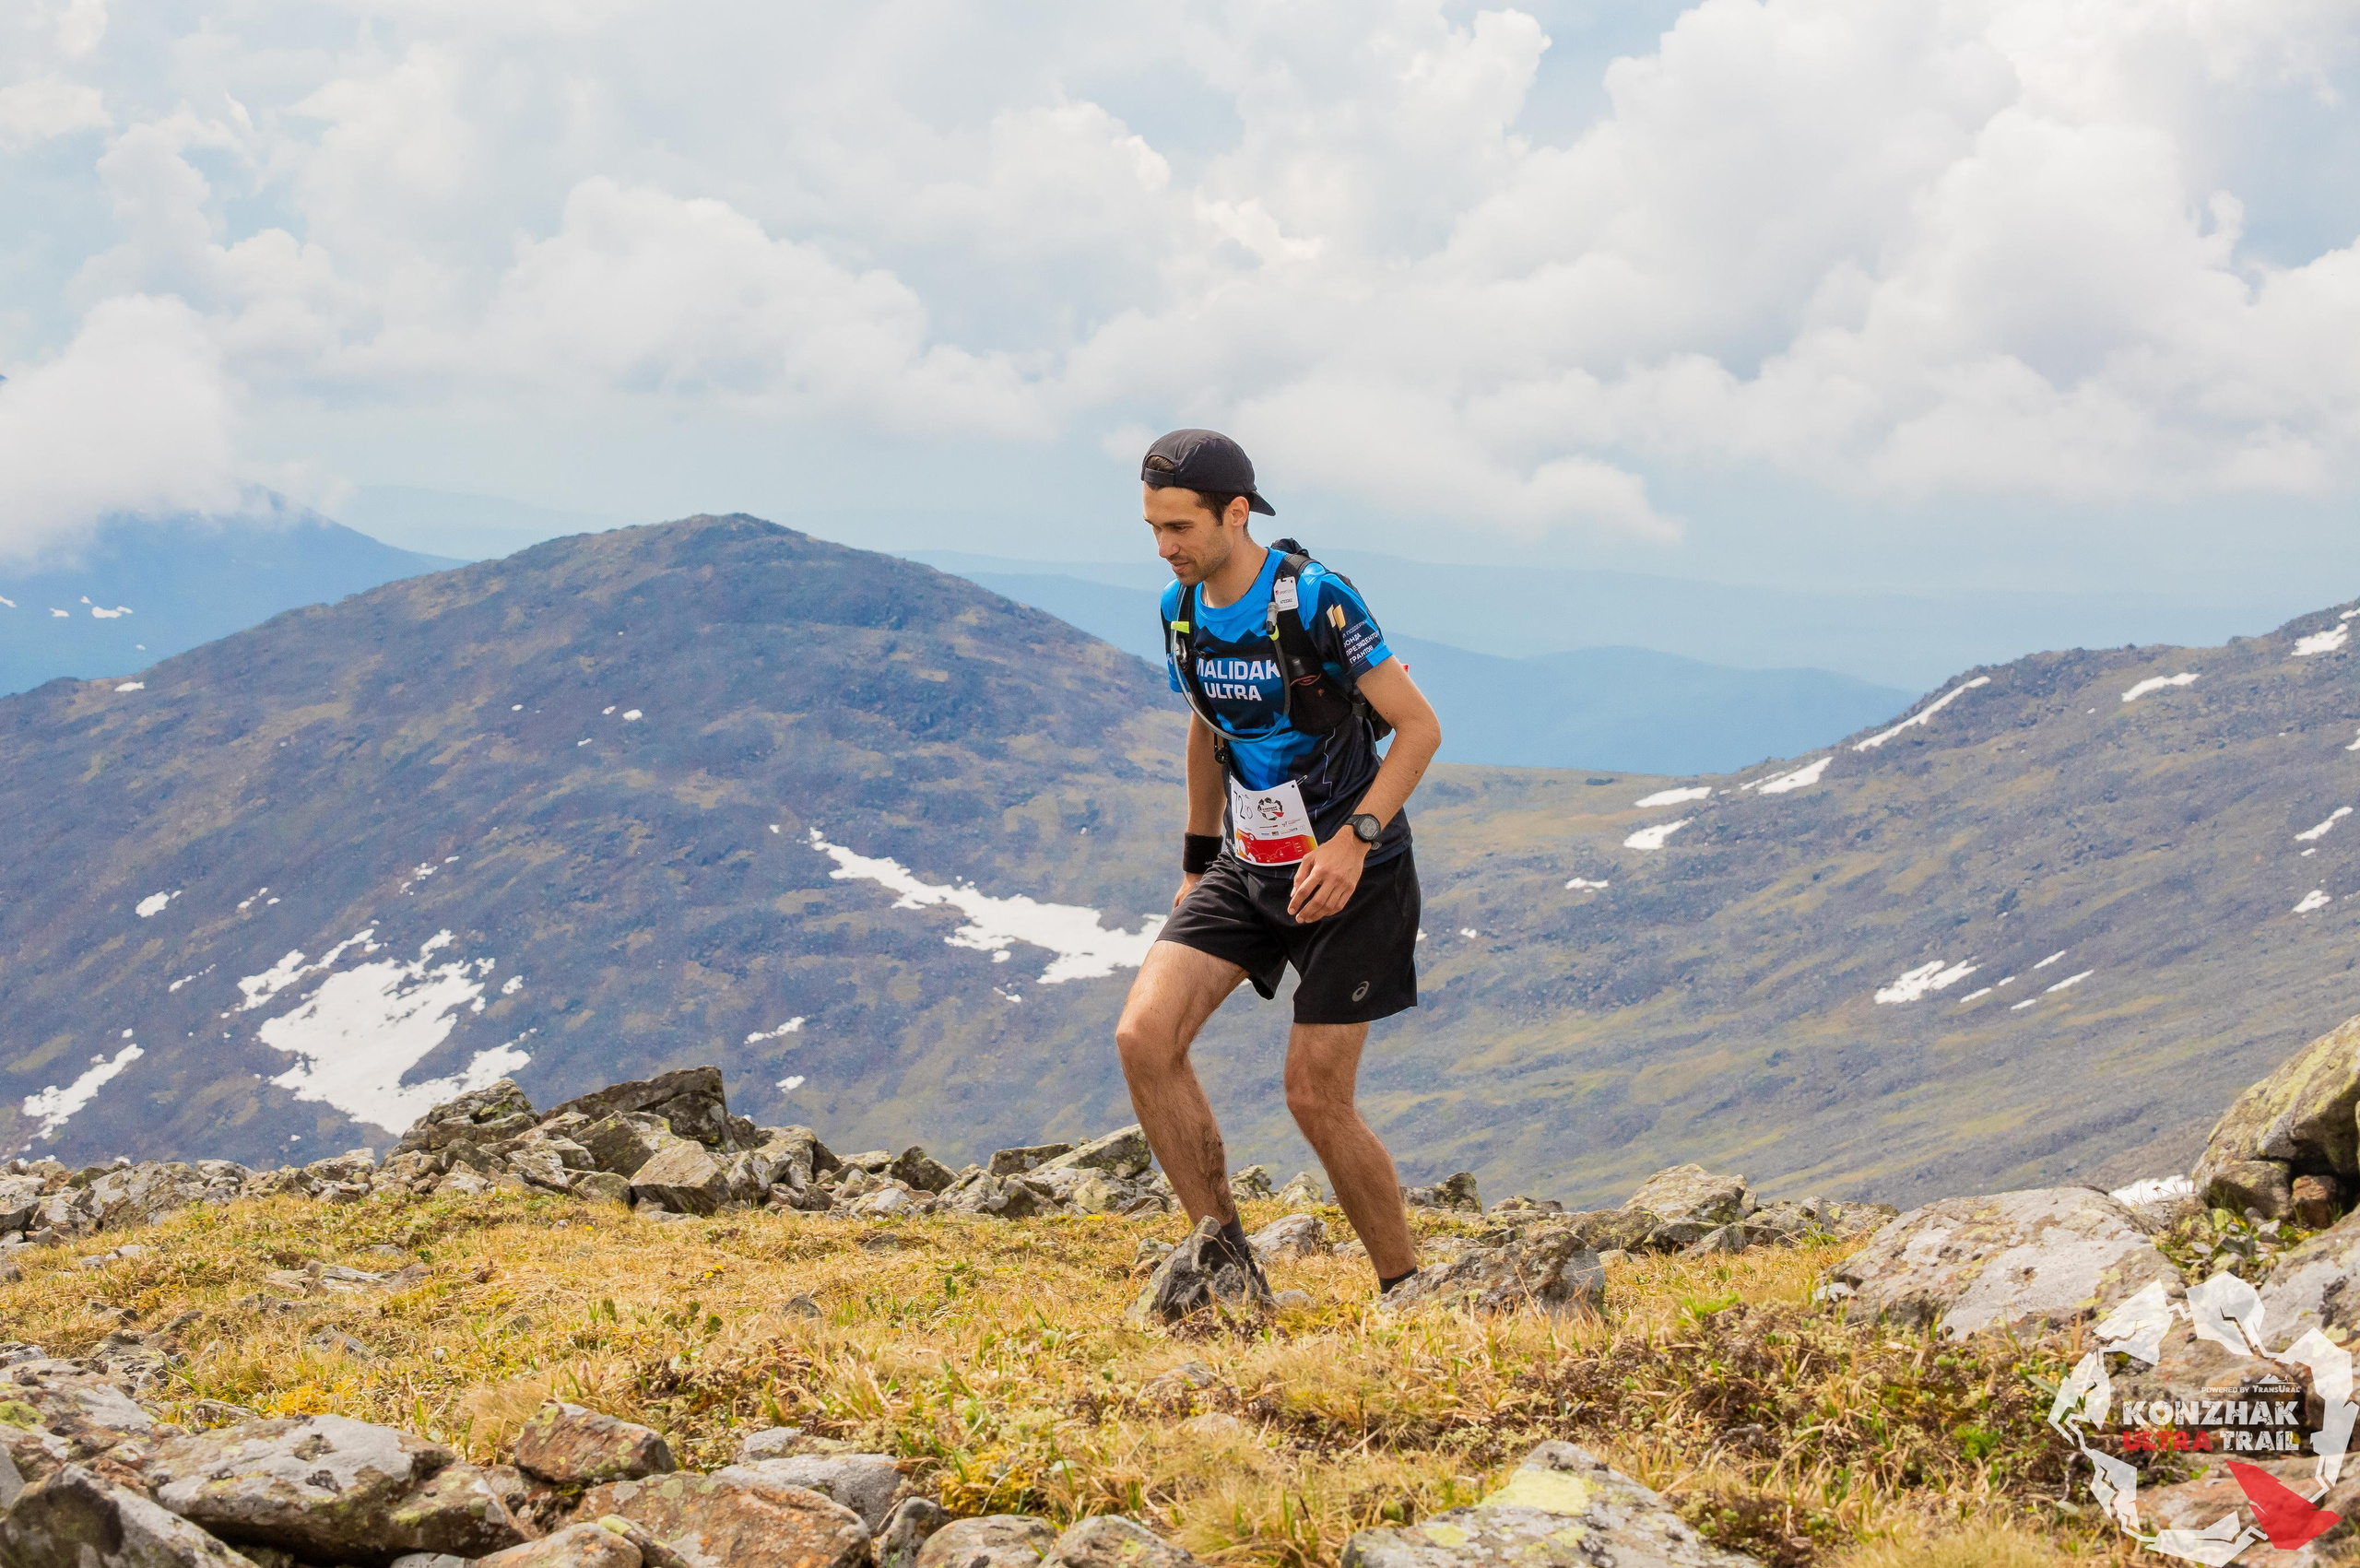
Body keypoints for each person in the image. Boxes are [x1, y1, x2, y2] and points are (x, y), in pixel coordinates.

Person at [1114, 428, 1443, 1299]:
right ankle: (1223, 1267)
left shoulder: (1315, 600)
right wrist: (1194, 859)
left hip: (1353, 875)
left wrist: (1354, 840)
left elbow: (1418, 729)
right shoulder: (1179, 611)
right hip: (1249, 864)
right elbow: (1206, 724)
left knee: (1312, 1096)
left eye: (1179, 527)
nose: (1164, 547)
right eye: (1152, 527)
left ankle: (1403, 1287)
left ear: (1235, 512)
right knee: (1144, 1037)